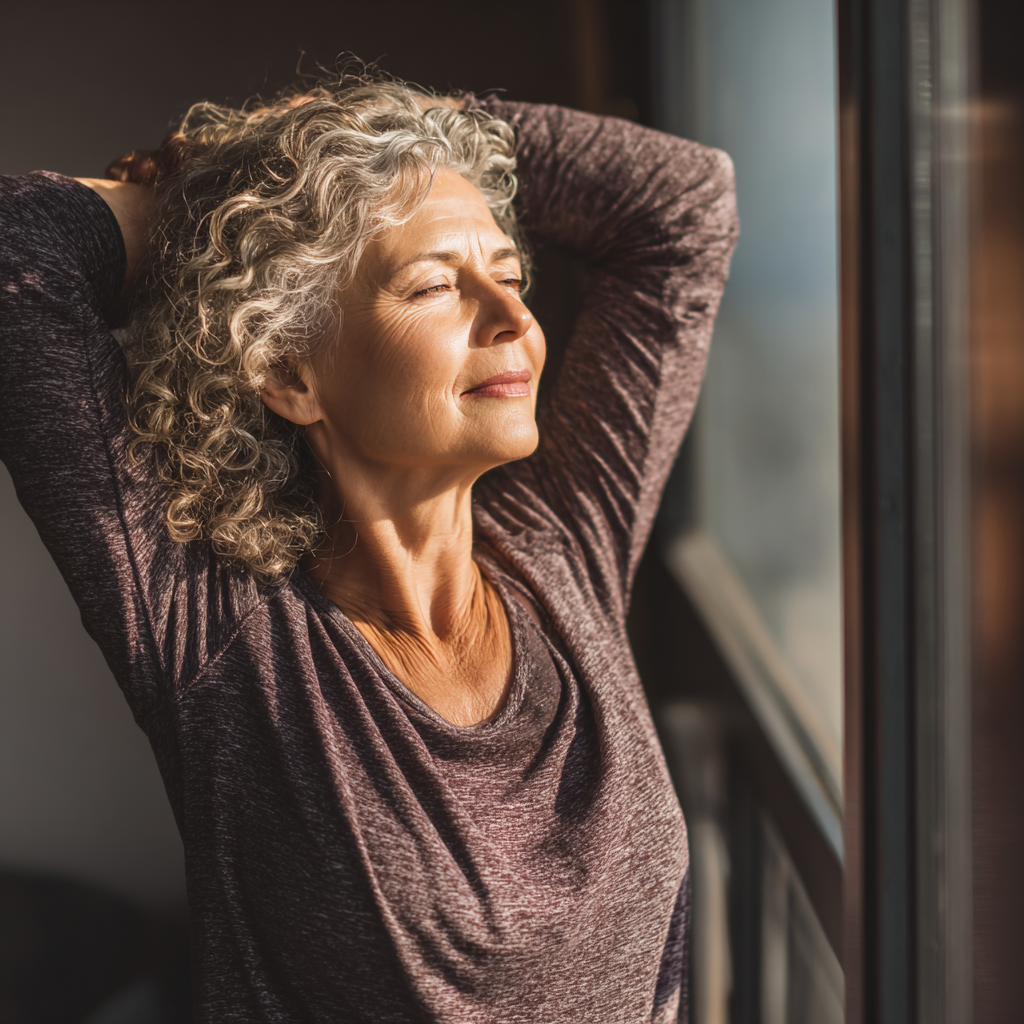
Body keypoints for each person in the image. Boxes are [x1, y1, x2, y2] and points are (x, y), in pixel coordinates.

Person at [0, 73, 737, 1023]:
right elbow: (18, 253)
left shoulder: (566, 553)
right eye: (434, 284)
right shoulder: (223, 638)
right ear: (288, 371)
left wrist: (330, 136)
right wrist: (218, 207)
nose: (512, 318)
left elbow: (682, 200)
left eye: (509, 276)